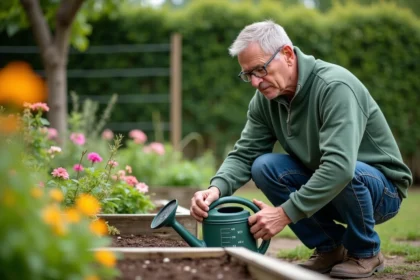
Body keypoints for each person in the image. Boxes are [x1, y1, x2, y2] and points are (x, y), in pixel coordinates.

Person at [190, 20, 412, 278]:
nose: (254, 82)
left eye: (260, 69)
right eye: (247, 74)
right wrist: (215, 189)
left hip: (382, 192)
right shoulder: (265, 101)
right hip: (334, 184)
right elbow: (245, 153)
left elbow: (339, 169)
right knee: (264, 167)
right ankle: (330, 247)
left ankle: (366, 252)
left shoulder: (334, 87)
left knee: (345, 170)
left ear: (286, 54)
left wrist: (283, 214)